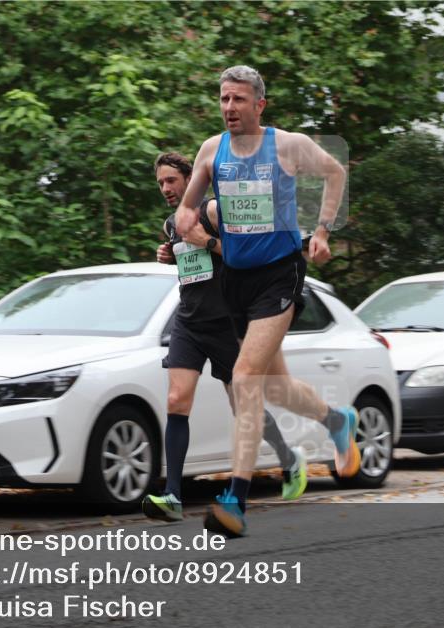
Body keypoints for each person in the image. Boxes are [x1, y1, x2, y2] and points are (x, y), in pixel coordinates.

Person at [175, 65, 360, 537]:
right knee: (276, 387)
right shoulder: (211, 151)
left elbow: (336, 172)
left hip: (281, 273)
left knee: (245, 377)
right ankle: (337, 420)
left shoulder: (289, 145)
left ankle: (235, 498)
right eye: (223, 99)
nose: (229, 108)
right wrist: (186, 222)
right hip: (236, 279)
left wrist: (322, 231)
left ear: (260, 104)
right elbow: (187, 206)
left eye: (238, 100)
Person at [142, 152, 307, 523]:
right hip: (189, 322)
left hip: (228, 323)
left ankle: (288, 458)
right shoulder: (171, 224)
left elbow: (250, 253)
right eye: (160, 184)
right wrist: (170, 255)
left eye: (171, 181)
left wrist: (207, 242)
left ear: (190, 180)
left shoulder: (216, 211)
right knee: (176, 399)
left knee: (242, 407)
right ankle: (172, 496)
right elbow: (191, 267)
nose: (165, 189)